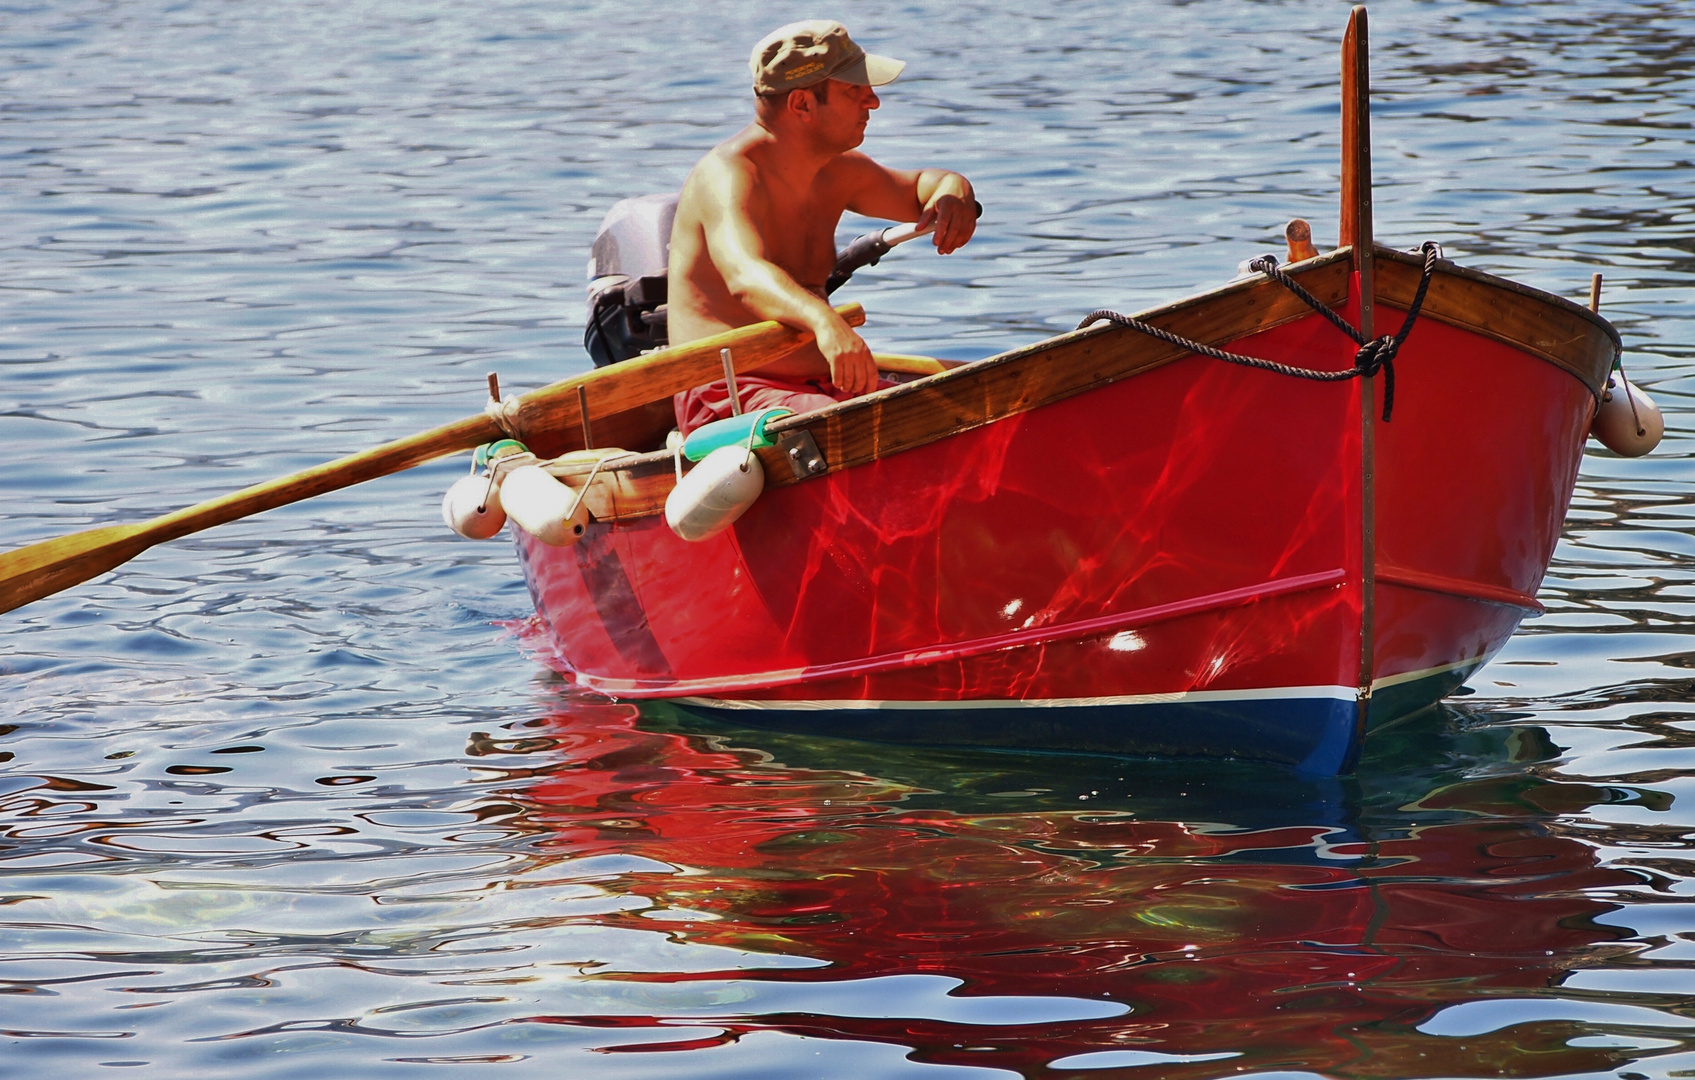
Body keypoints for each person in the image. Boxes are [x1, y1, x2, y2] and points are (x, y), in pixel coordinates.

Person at [668, 20, 977, 435]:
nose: (873, 102)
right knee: (884, 428)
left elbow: (923, 186)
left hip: (823, 383)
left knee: (970, 409)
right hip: (731, 395)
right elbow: (746, 276)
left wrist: (952, 189)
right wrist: (828, 323)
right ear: (802, 105)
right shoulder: (726, 176)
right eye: (854, 91)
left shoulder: (836, 170)